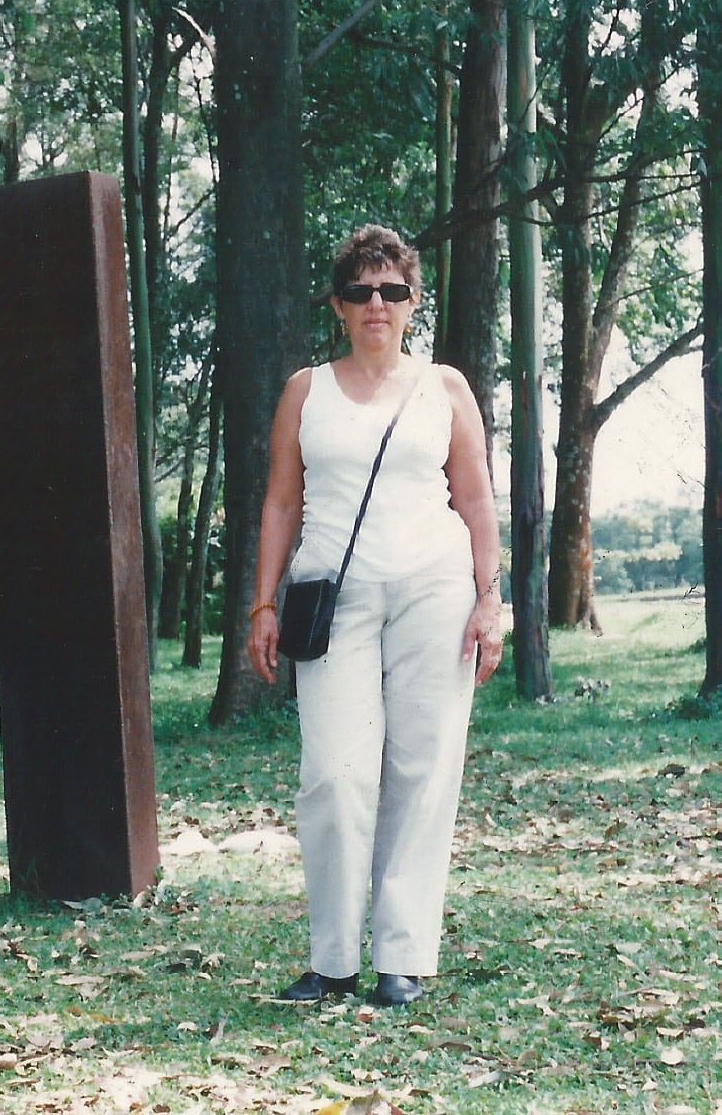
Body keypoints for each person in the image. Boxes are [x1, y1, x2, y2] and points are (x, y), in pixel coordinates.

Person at [247, 225, 502, 1009]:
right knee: (334, 773)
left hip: (435, 589)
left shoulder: (444, 388)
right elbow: (281, 501)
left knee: (422, 768)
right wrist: (263, 602)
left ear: (414, 301)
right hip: (334, 596)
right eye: (359, 291)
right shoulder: (305, 391)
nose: (376, 304)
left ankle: (403, 955)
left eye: (391, 290)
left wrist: (490, 598)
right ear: (338, 305)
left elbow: (476, 497)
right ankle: (332, 960)